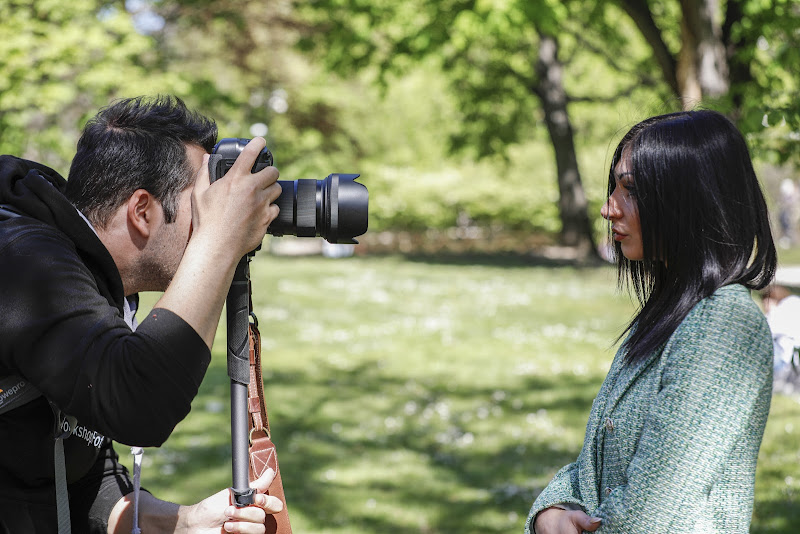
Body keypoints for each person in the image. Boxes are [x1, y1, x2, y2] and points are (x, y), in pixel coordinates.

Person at [0, 96, 285, 533]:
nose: (219, 217)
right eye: (206, 204)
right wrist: (221, 241)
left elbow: (85, 476)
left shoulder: (100, 287)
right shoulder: (22, 261)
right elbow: (138, 404)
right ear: (142, 211)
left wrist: (186, 522)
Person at [525, 110, 777, 533]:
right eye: (615, 188)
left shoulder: (724, 324)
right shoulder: (671, 314)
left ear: (690, 198)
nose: (608, 210)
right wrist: (550, 512)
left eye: (633, 191)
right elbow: (596, 465)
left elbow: (648, 516)